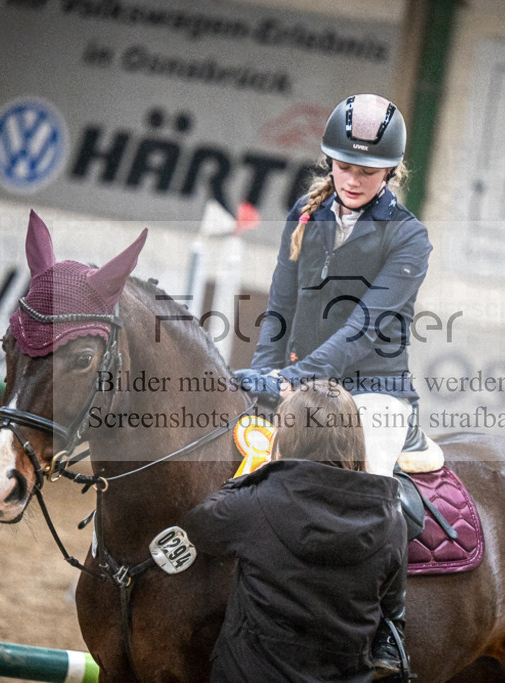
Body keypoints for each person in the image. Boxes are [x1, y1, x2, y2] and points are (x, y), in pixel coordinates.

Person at [235, 92, 430, 671]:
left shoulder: (409, 238)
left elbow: (363, 330)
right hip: (301, 384)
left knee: (369, 494)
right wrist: (266, 375)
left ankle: (386, 624)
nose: (352, 178)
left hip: (376, 393)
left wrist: (293, 379)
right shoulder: (304, 215)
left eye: (367, 170)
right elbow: (280, 307)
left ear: (390, 171)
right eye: (344, 165)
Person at [184, 381, 407, 682]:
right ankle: (392, 644)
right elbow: (389, 595)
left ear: (290, 436)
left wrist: (253, 476)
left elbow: (199, 525)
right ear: (354, 437)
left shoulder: (257, 501)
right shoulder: (392, 519)